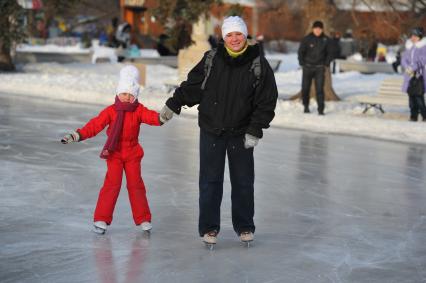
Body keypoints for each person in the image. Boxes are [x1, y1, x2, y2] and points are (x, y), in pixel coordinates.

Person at [159, 16, 278, 247]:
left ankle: (244, 226)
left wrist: (255, 130)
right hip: (212, 129)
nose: (234, 39)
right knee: (210, 181)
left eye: (238, 34)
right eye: (230, 35)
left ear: (245, 35)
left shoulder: (258, 64)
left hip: (241, 132)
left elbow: (266, 102)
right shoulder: (212, 59)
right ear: (224, 37)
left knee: (243, 182)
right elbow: (193, 86)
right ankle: (209, 227)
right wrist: (173, 105)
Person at [61, 65, 167, 234]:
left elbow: (151, 117)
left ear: (135, 95)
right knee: (112, 184)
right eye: (124, 93)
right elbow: (95, 125)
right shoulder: (111, 111)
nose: (126, 97)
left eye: (130, 94)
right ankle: (101, 219)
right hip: (114, 153)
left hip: (132, 153)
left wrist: (161, 116)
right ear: (118, 93)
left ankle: (143, 219)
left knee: (136, 185)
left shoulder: (138, 110)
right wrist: (78, 135)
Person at [298, 20, 333, 115]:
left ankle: (320, 109)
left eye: (319, 29)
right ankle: (306, 106)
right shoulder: (307, 39)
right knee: (305, 88)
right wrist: (302, 62)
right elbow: (301, 51)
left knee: (319, 89)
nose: (317, 30)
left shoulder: (326, 40)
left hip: (319, 68)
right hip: (307, 67)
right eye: (316, 29)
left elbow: (330, 53)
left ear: (322, 29)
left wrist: (326, 63)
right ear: (313, 29)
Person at [401, 27, 426, 122]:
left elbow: (423, 60)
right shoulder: (409, 46)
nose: (413, 37)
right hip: (409, 76)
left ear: (419, 37)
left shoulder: (423, 47)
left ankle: (424, 115)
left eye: (415, 36)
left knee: (419, 97)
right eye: (412, 35)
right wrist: (407, 67)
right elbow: (404, 58)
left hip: (419, 76)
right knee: (411, 97)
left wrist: (413, 67)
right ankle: (413, 116)